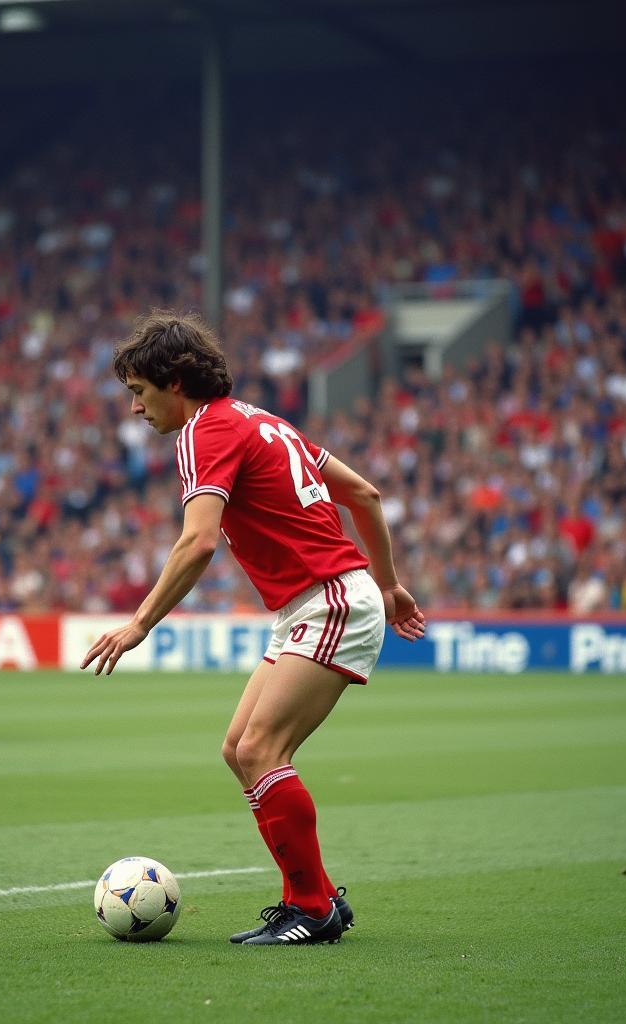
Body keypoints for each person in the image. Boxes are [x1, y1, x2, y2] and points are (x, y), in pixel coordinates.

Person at [82, 311, 425, 946]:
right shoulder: (261, 420)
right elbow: (366, 495)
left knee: (264, 751)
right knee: (240, 749)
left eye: (138, 391)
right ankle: (318, 900)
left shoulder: (202, 432)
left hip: (327, 600)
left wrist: (139, 623)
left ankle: (312, 909)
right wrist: (387, 583)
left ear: (175, 381)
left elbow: (197, 543)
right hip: (320, 600)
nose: (134, 408)